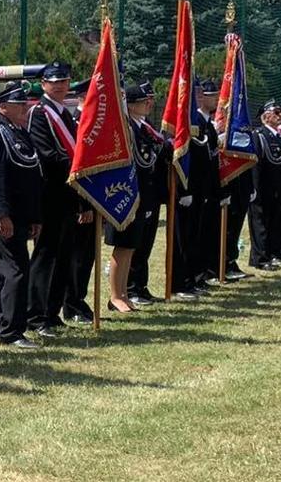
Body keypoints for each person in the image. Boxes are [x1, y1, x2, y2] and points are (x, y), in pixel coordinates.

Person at [0, 84, 45, 348]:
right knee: (16, 269)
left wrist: (35, 216)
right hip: (2, 213)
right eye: (18, 105)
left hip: (20, 213)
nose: (24, 109)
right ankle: (12, 331)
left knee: (2, 270)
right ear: (2, 106)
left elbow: (32, 178)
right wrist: (1, 215)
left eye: (25, 104)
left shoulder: (20, 133)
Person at [27, 61, 90, 336]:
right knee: (45, 257)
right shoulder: (39, 113)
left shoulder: (65, 114)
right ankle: (36, 315)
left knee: (64, 256)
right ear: (43, 84)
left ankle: (52, 313)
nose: (61, 86)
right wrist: (77, 164)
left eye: (64, 81)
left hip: (66, 194)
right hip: (48, 194)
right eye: (54, 82)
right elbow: (46, 154)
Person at [109, 83, 164, 313]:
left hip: (143, 194)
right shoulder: (126, 127)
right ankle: (116, 295)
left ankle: (124, 293)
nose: (149, 104)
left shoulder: (144, 128)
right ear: (130, 105)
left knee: (132, 247)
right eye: (144, 101)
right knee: (122, 246)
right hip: (127, 193)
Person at [172, 83, 222, 300]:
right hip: (189, 189)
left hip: (203, 190)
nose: (201, 96)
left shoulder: (204, 123)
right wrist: (185, 190)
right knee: (184, 238)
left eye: (202, 93)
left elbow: (209, 157)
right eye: (198, 93)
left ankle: (194, 277)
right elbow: (185, 159)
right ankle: (180, 281)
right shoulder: (188, 122)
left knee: (197, 236)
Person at [206, 81, 254, 282]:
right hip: (220, 184)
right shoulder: (209, 125)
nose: (218, 100)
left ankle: (229, 261)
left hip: (238, 184)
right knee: (219, 229)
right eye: (213, 96)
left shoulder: (234, 124)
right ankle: (217, 264)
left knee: (234, 226)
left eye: (219, 95)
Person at [248, 103, 281, 271]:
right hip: (262, 188)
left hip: (277, 188)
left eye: (280, 112)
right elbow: (256, 165)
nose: (279, 115)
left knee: (274, 222)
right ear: (265, 117)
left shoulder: (279, 137)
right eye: (275, 113)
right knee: (260, 224)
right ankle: (260, 258)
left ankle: (271, 253)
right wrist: (254, 188)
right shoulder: (259, 135)